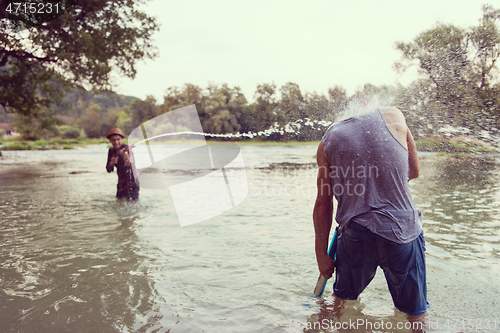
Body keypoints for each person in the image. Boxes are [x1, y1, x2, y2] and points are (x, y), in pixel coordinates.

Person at [313, 97, 428, 322]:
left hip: (356, 235)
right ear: (369, 103)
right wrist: (383, 180)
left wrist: (321, 254)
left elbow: (322, 203)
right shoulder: (395, 115)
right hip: (401, 232)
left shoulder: (328, 140)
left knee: (341, 305)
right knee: (416, 314)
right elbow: (413, 171)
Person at [106, 128, 139, 201]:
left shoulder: (128, 149)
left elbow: (130, 166)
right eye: (113, 140)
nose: (116, 142)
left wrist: (124, 156)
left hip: (132, 183)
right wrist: (111, 163)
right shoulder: (111, 151)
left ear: (122, 139)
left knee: (132, 206)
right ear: (110, 140)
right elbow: (108, 170)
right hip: (121, 184)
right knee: (119, 204)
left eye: (118, 139)